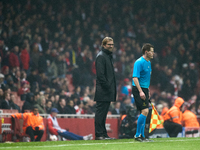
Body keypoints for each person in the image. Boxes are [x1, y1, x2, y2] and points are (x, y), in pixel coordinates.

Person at [94, 37, 117, 140]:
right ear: (103, 45)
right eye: (109, 44)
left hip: (106, 90)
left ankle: (103, 134)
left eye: (112, 44)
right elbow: (100, 75)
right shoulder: (101, 56)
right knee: (100, 113)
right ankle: (99, 134)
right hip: (103, 90)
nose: (111, 46)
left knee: (103, 114)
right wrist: (108, 86)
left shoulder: (107, 56)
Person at [132, 43, 154, 142]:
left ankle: (142, 136)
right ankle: (137, 135)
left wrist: (147, 90)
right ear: (146, 52)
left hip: (144, 89)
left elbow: (146, 78)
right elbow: (135, 78)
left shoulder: (148, 62)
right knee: (145, 111)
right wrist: (141, 91)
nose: (153, 53)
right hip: (138, 89)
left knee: (145, 111)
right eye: (151, 51)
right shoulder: (139, 62)